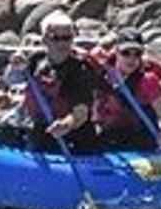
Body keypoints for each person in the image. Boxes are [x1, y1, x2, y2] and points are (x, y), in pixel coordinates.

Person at [11, 9, 100, 154]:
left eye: (67, 38)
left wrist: (66, 125)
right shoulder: (36, 60)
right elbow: (12, 81)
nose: (62, 44)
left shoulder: (79, 70)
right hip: (41, 127)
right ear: (44, 39)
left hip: (71, 136)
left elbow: (81, 113)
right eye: (56, 38)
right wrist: (15, 67)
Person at [91, 28, 161, 152]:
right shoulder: (104, 73)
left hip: (141, 141)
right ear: (116, 52)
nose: (131, 59)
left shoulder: (148, 80)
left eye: (137, 53)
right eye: (126, 53)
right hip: (111, 136)